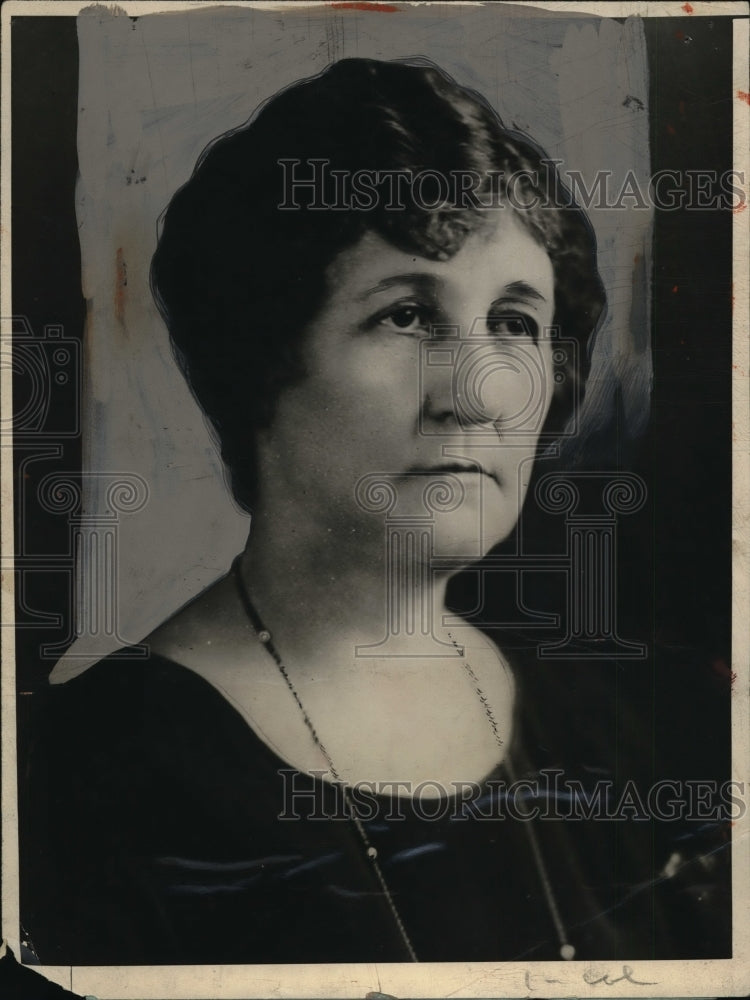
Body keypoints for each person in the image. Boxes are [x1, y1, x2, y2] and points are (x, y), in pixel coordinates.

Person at [23, 57, 728, 967]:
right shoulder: (94, 777)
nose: (476, 397)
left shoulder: (643, 721)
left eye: (514, 323)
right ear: (260, 360)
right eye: (405, 315)